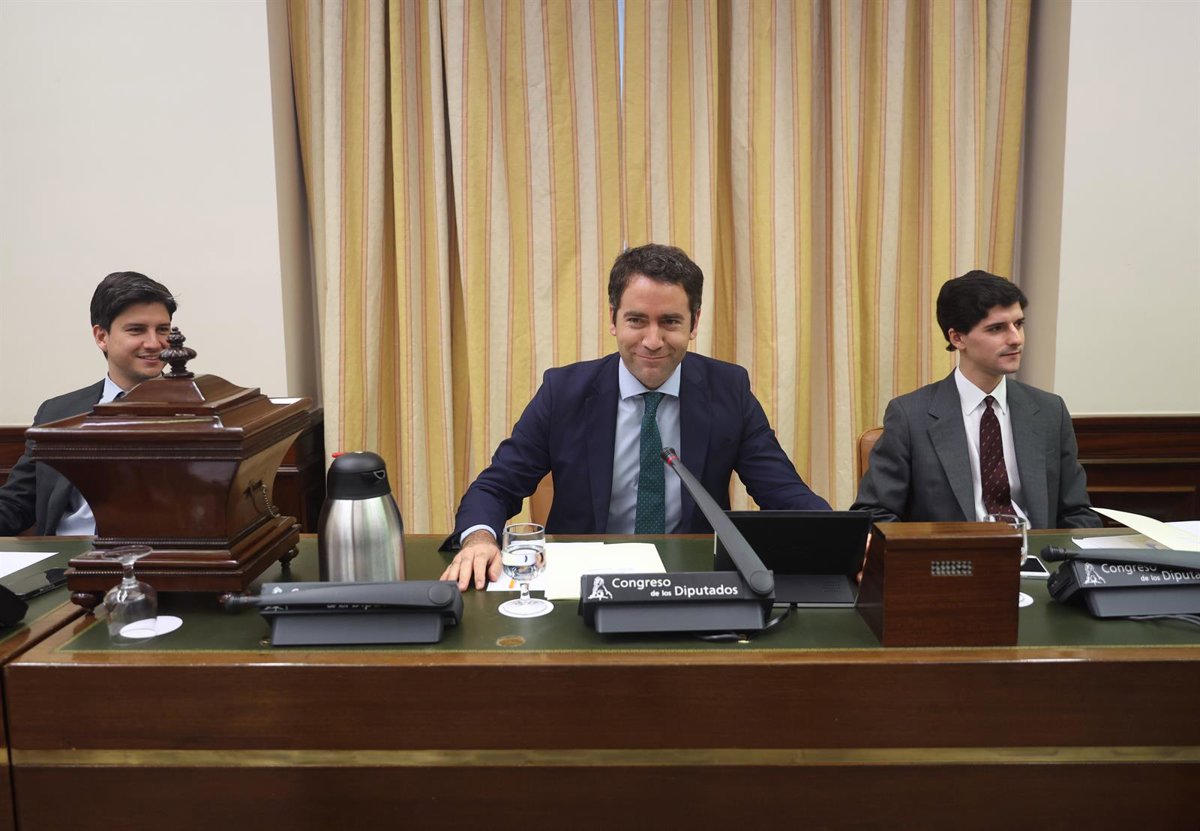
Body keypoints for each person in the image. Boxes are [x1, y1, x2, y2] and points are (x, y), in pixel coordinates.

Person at [441, 243, 830, 590]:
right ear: (614, 319)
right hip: (581, 582)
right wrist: (479, 540)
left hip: (692, 580)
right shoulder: (564, 392)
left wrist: (841, 540)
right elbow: (496, 486)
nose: (653, 341)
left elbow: (783, 492)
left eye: (670, 322)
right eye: (637, 320)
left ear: (694, 323)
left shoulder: (728, 390)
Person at [851, 270, 1100, 529]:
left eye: (1018, 324)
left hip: (1036, 551)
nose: (1015, 339)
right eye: (996, 328)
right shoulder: (910, 416)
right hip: (953, 553)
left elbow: (1077, 513)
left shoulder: (1050, 411)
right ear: (957, 338)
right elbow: (876, 514)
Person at [0, 272, 177, 536]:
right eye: (136, 330)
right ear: (101, 336)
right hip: (63, 558)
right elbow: (15, 505)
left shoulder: (196, 413)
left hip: (153, 557)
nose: (154, 343)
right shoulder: (56, 413)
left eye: (162, 330)